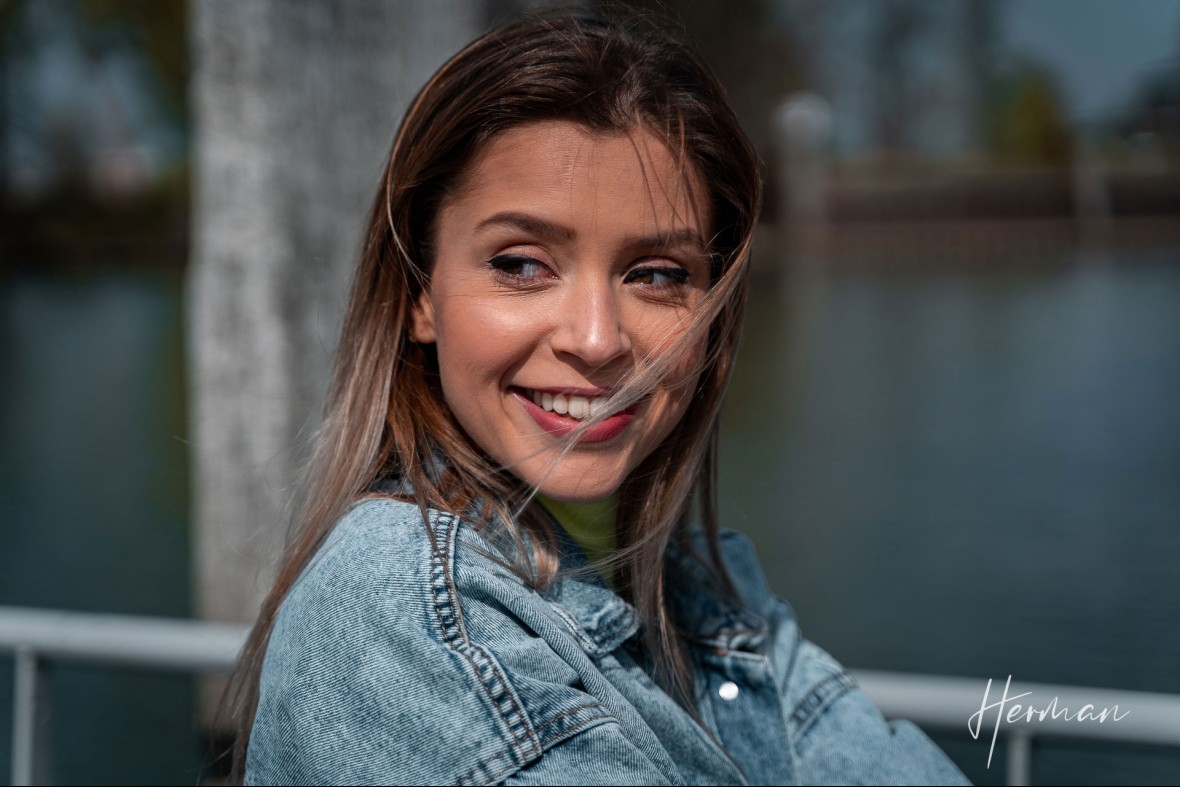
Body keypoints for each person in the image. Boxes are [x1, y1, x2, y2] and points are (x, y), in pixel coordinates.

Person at [229, 7, 969, 785]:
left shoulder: (701, 585)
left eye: (657, 275)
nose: (596, 339)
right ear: (421, 292)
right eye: (520, 264)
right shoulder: (399, 612)